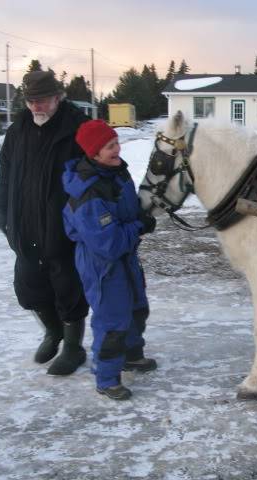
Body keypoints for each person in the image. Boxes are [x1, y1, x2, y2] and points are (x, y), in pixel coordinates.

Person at [0, 70, 89, 375]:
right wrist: (3, 212)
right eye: (31, 100)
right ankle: (53, 332)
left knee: (68, 287)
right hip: (24, 223)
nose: (36, 106)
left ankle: (73, 347)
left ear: (58, 97)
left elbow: (94, 173)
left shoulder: (78, 127)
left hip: (63, 225)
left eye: (43, 99)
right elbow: (6, 172)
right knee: (28, 284)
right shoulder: (18, 129)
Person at [62, 119, 157, 400]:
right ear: (93, 153)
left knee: (137, 308)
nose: (117, 149)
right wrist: (139, 227)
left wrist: (141, 216)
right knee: (112, 320)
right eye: (109, 146)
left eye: (116, 142)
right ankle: (107, 377)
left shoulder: (117, 173)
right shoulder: (89, 192)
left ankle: (131, 356)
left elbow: (128, 212)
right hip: (101, 263)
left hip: (125, 257)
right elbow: (108, 243)